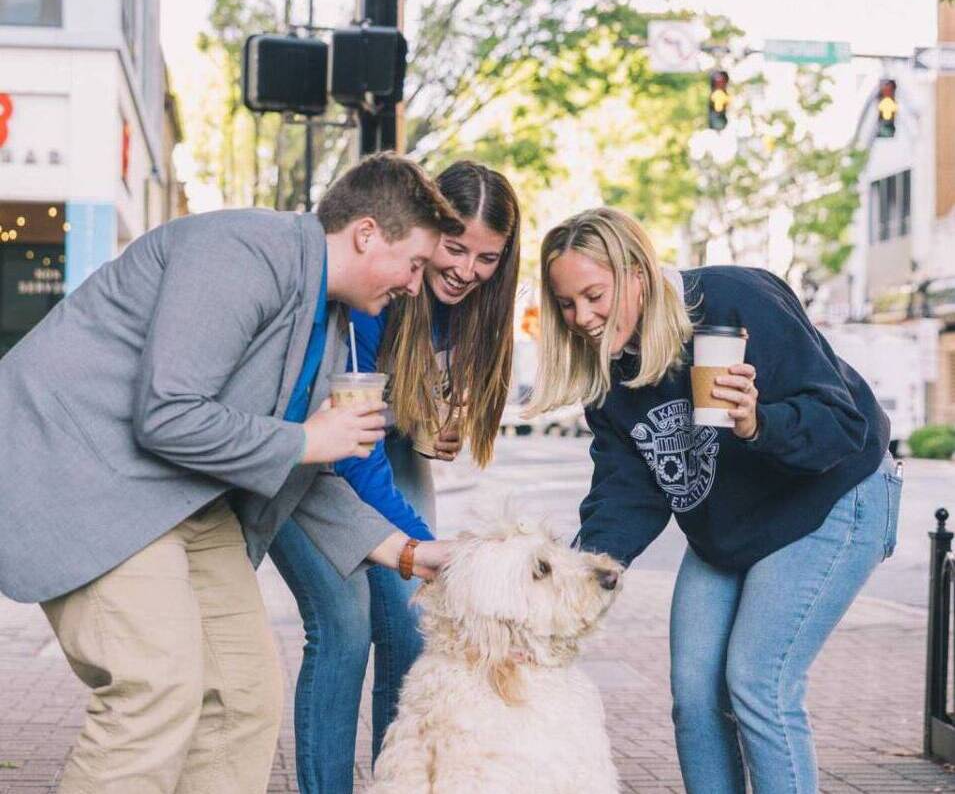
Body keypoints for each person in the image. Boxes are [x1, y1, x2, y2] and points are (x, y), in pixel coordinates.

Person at [0, 153, 462, 794]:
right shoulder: (241, 252)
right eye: (414, 263)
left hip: (180, 498)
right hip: (87, 478)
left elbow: (304, 471)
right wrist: (306, 438)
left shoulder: (324, 321)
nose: (416, 285)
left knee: (243, 694)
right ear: (365, 233)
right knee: (156, 688)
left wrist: (414, 554)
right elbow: (167, 414)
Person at [529, 207, 901, 794]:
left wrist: (758, 423)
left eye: (595, 295)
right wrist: (575, 579)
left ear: (638, 274)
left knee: (757, 682)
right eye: (567, 305)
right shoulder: (611, 375)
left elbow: (843, 424)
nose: (583, 317)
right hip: (731, 525)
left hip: (829, 496)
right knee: (694, 695)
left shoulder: (731, 301)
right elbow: (625, 495)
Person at [269, 160, 521, 793]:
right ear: (429, 233)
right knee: (344, 629)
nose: (466, 270)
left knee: (408, 631)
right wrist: (418, 548)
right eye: (455, 248)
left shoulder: (475, 312)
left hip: (382, 459)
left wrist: (423, 425)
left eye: (486, 259)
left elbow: (392, 411)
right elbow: (351, 435)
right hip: (314, 468)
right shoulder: (378, 289)